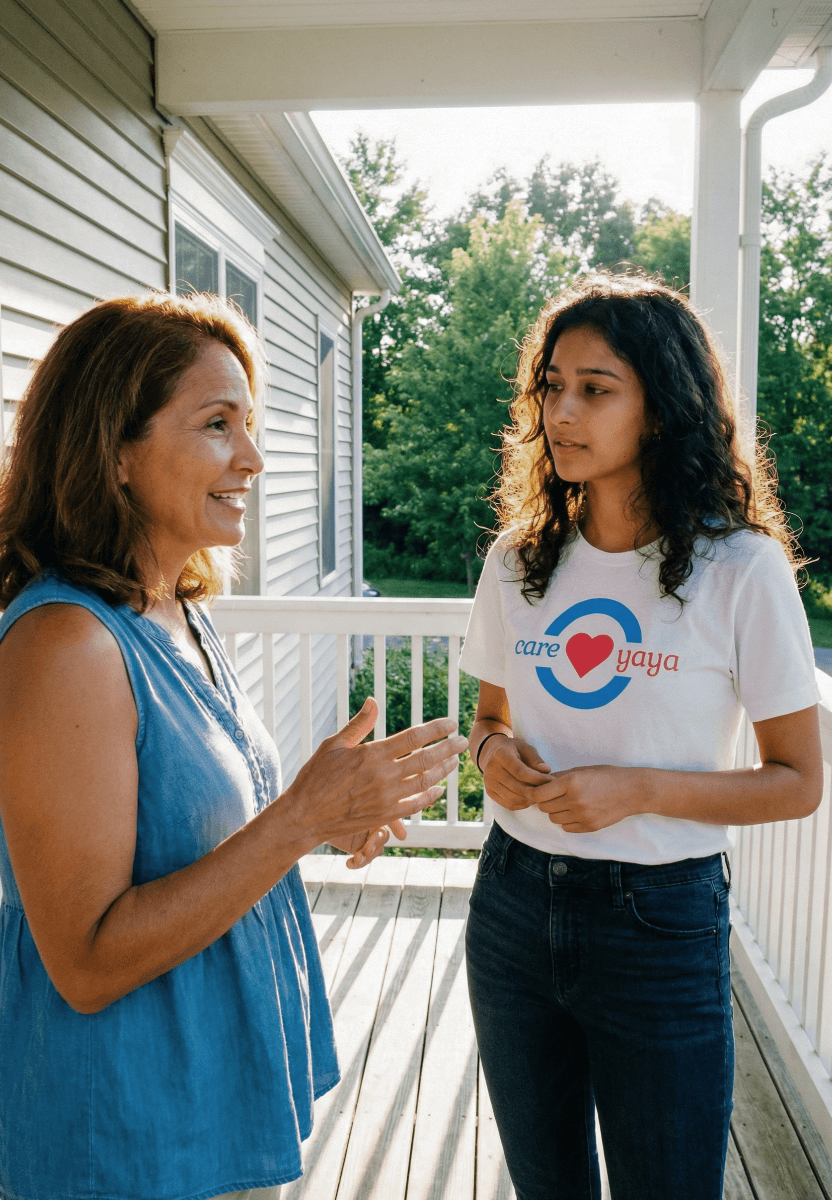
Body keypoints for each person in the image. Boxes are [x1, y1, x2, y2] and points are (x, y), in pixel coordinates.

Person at [0, 292, 466, 1200]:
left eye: (250, 423)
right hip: (124, 1141)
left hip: (208, 1108)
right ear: (115, 453)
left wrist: (333, 812)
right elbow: (85, 963)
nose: (253, 457)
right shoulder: (65, 650)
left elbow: (197, 833)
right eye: (216, 424)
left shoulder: (173, 612)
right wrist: (298, 818)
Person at [459, 274, 823, 1200]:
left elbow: (796, 781)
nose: (562, 411)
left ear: (662, 406)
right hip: (510, 907)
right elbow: (491, 720)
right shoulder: (517, 558)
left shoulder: (740, 567)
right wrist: (493, 756)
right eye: (551, 386)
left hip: (658, 920)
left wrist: (641, 789)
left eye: (596, 387)